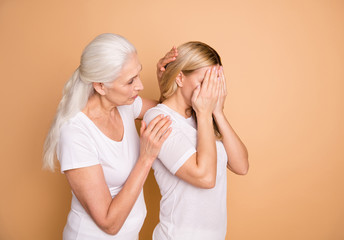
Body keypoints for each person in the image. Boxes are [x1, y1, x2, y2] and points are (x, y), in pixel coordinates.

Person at [42, 33, 177, 240]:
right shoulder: (75, 133)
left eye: (138, 75)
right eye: (130, 81)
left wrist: (164, 80)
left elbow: (164, 111)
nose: (140, 86)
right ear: (100, 86)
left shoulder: (124, 105)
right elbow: (109, 223)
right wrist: (146, 158)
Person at [143, 41, 249, 240]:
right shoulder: (158, 118)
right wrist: (204, 113)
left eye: (215, 83)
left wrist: (217, 111)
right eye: (204, 82)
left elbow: (241, 166)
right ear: (180, 77)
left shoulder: (203, 115)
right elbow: (205, 178)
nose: (210, 91)